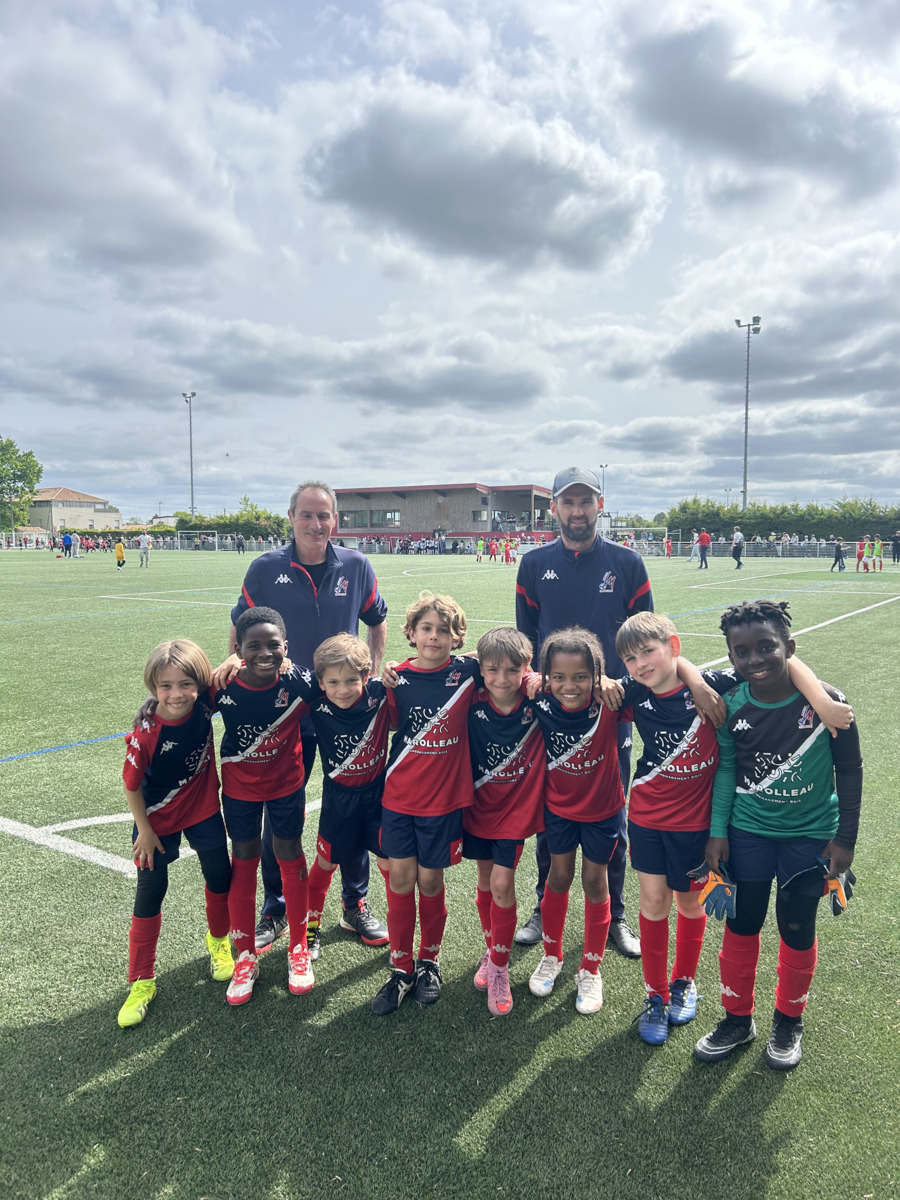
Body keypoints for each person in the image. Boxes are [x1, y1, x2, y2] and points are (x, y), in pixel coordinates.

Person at [611, 611, 854, 1045]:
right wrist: (602, 681)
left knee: (696, 904)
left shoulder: (718, 684)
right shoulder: (634, 692)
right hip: (652, 817)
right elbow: (589, 688)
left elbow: (779, 658)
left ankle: (692, 985)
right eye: (630, 658)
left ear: (673, 646)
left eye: (648, 651)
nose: (640, 663)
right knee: (655, 901)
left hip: (700, 823)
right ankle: (660, 995)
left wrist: (819, 699)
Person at [693, 599, 862, 1070]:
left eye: (766, 647)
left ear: (789, 647)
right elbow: (727, 770)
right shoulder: (732, 705)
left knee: (796, 926)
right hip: (747, 834)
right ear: (731, 656)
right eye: (741, 652)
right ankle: (736, 1018)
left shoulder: (828, 703)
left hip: (811, 838)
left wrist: (846, 840)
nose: (755, 659)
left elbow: (850, 771)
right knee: (742, 923)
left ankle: (788, 1021)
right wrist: (717, 832)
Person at [223, 481, 388, 954]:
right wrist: (232, 663)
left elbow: (377, 620)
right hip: (285, 713)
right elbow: (240, 625)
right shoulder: (264, 568)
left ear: (335, 519)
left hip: (343, 710)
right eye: (307, 515)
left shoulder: (356, 565)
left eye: (324, 515)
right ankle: (276, 907)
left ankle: (354, 904)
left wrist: (373, 673)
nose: (316, 524)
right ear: (291, 517)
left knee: (353, 803)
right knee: (280, 812)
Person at [514, 466, 651, 957]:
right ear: (554, 507)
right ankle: (542, 908)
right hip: (553, 709)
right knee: (551, 810)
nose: (577, 511)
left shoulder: (627, 562)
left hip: (609, 709)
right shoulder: (533, 564)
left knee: (612, 814)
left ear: (600, 505)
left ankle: (615, 916)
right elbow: (525, 635)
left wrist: (616, 680)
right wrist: (532, 674)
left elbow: (645, 639)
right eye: (568, 502)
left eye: (585, 501)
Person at [371, 592, 479, 1015]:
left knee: (431, 882)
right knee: (400, 880)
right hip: (399, 796)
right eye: (426, 629)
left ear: (457, 638)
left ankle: (428, 961)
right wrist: (384, 676)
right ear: (412, 634)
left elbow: (507, 661)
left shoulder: (468, 672)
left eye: (444, 630)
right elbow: (392, 722)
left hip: (444, 803)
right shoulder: (396, 677)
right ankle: (400, 968)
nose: (434, 637)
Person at [118, 640, 232, 1027]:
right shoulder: (146, 731)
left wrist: (234, 658)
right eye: (165, 686)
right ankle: (141, 980)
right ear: (152, 687)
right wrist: (145, 831)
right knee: (151, 891)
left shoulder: (205, 703)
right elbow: (131, 784)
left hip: (202, 809)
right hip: (156, 822)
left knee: (220, 875)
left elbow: (233, 666)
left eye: (185, 684)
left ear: (199, 683)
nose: (176, 694)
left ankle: (219, 942)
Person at [215, 607, 319, 1006]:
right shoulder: (222, 685)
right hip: (239, 789)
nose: (264, 653)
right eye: (253, 646)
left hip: (285, 785)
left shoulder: (297, 682)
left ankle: (298, 947)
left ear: (286, 647)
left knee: (289, 852)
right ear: (238, 649)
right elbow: (183, 700)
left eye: (273, 645)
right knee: (244, 859)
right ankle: (245, 957)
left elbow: (345, 685)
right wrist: (150, 704)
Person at [528, 627, 623, 1014]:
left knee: (595, 882)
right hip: (559, 811)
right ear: (547, 676)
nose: (569, 686)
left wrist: (610, 681)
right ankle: (552, 955)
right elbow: (491, 665)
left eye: (581, 676)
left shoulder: (611, 700)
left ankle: (591, 969)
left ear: (596, 675)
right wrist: (530, 678)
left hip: (603, 811)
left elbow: (665, 675)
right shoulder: (540, 699)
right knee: (558, 877)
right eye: (559, 677)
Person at [465, 626, 545, 1018]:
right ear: (481, 669)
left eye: (512, 670)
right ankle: (493, 948)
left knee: (501, 883)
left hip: (515, 810)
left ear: (526, 668)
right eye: (492, 670)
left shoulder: (538, 699)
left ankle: (499, 966)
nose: (501, 679)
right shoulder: (470, 694)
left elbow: (575, 685)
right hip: (476, 806)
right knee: (485, 881)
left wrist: (538, 679)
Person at [303, 634, 392, 962]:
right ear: (321, 682)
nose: (342, 689)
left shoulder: (379, 694)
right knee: (326, 862)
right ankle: (309, 926)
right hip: (338, 799)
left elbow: (428, 672)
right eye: (333, 682)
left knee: (390, 862)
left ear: (366, 676)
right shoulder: (314, 699)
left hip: (378, 797)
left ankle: (384, 925)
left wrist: (395, 669)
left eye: (351, 680)